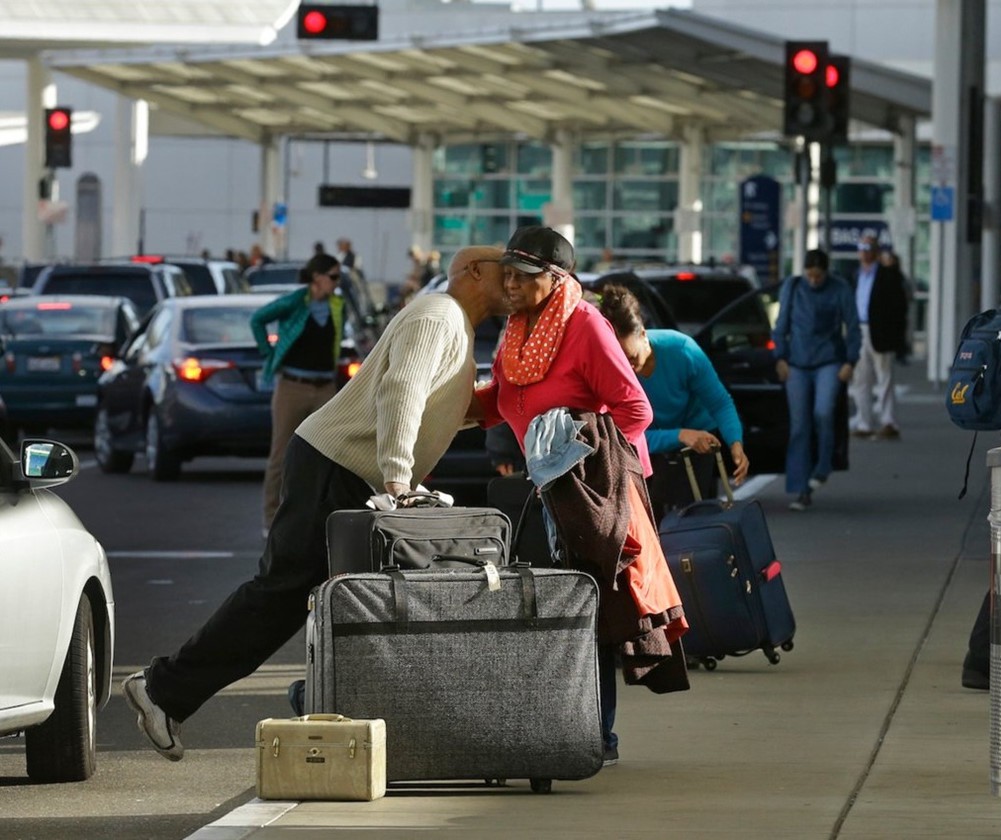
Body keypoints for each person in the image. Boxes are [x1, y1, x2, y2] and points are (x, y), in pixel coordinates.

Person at [122, 245, 510, 762]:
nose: (514, 286)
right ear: (474, 272)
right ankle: (163, 689)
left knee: (338, 601)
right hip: (340, 465)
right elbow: (401, 391)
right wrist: (398, 481)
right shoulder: (440, 313)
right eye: (506, 275)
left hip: (345, 468)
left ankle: (298, 704)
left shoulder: (452, 323)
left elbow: (434, 403)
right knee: (283, 591)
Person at [472, 226, 687, 767]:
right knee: (551, 613)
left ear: (556, 278)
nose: (511, 284)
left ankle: (598, 736)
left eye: (523, 275)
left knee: (589, 614)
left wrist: (606, 472)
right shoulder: (518, 329)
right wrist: (447, 407)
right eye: (508, 273)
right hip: (543, 489)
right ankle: (558, 727)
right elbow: (502, 399)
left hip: (588, 490)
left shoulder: (585, 325)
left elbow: (636, 409)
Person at [597, 284, 750, 519]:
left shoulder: (681, 349)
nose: (628, 367)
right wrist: (678, 435)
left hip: (698, 438)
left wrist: (735, 442)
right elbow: (621, 437)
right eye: (620, 360)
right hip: (648, 445)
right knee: (651, 525)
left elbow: (719, 403)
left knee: (696, 522)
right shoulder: (609, 368)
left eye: (632, 358)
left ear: (644, 335)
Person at [250, 253, 345, 537]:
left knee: (330, 454)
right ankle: (271, 520)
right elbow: (258, 319)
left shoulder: (337, 306)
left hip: (325, 387)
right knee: (281, 454)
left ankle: (321, 518)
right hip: (292, 386)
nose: (336, 284)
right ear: (317, 277)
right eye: (333, 277)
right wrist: (269, 355)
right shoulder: (296, 301)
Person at [773, 249, 861, 512]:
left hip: (829, 361)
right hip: (797, 363)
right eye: (810, 275)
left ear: (826, 272)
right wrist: (780, 356)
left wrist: (850, 360)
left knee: (823, 413)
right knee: (800, 426)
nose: (813, 281)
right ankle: (802, 488)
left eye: (818, 276)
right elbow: (781, 324)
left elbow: (853, 325)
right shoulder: (793, 286)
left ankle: (823, 466)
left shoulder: (839, 289)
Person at [849, 234, 909, 439]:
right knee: (860, 378)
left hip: (880, 332)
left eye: (868, 248)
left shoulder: (887, 274)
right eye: (861, 247)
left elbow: (898, 306)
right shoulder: (856, 274)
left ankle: (888, 421)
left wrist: (897, 337)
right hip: (859, 329)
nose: (864, 252)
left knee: (884, 378)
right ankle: (864, 422)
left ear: (876, 251)